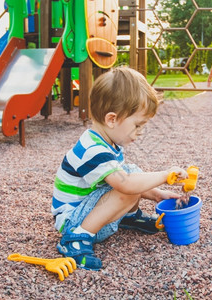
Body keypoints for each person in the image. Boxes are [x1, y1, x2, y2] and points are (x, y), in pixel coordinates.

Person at [51, 67, 189, 270]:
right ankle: (75, 239)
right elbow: (125, 185)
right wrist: (165, 176)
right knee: (128, 182)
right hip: (73, 220)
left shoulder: (108, 142)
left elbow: (129, 179)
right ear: (112, 119)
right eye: (138, 125)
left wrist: (157, 195)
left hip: (90, 211)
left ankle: (129, 217)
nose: (141, 132)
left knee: (130, 172)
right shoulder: (92, 149)